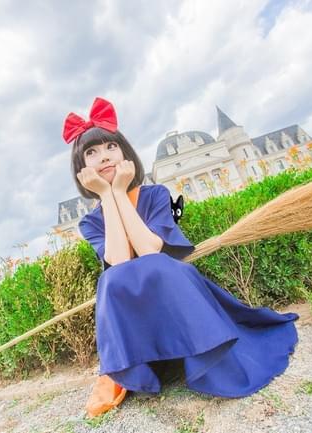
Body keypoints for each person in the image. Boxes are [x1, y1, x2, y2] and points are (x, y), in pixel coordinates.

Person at [62, 97, 299, 418]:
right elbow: (118, 259)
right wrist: (107, 195)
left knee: (155, 265)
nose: (103, 156)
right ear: (82, 169)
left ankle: (209, 362)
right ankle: (146, 369)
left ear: (125, 153)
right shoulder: (90, 222)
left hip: (170, 282)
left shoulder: (154, 195)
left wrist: (120, 191)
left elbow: (150, 250)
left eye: (110, 147)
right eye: (91, 152)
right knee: (111, 279)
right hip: (133, 297)